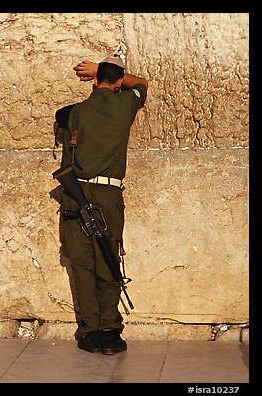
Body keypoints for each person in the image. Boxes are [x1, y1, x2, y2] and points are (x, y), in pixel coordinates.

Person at [58, 56, 148, 355]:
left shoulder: (77, 113)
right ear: (118, 82)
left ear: (94, 82)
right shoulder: (126, 106)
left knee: (82, 264)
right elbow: (141, 83)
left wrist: (97, 73)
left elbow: (63, 118)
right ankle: (111, 330)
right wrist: (110, 73)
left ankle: (90, 331)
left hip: (78, 195)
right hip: (109, 197)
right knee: (109, 258)